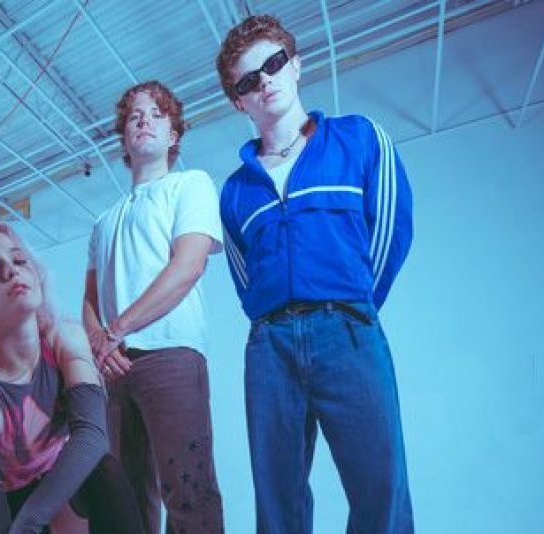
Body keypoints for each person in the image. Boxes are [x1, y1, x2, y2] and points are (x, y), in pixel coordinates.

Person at [216, 14, 415, 533]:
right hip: (270, 348)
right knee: (277, 500)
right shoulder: (235, 190)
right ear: (239, 101)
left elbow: (390, 231)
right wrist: (274, 320)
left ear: (296, 64)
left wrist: (351, 305)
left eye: (273, 63)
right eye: (248, 80)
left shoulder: (359, 139)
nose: (265, 81)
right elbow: (244, 275)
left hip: (347, 332)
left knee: (380, 488)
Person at [0, 223, 143, 534]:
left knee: (105, 470)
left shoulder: (65, 337)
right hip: (13, 505)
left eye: (19, 260)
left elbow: (92, 436)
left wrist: (32, 521)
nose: (10, 271)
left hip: (63, 489)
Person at [82, 81, 225, 534]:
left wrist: (116, 329)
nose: (144, 120)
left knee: (189, 493)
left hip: (171, 355)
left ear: (173, 135)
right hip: (113, 366)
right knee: (121, 501)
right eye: (134, 116)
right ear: (124, 138)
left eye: (157, 115)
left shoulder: (190, 184)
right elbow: (89, 300)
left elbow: (188, 266)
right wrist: (100, 345)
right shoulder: (102, 221)